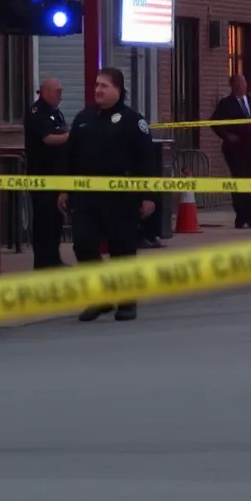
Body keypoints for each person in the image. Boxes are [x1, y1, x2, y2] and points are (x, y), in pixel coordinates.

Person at [57, 68, 158, 322]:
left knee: (122, 248)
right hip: (86, 197)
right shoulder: (83, 119)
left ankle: (126, 302)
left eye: (104, 85)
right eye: (96, 85)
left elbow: (147, 160)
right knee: (83, 244)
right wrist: (64, 189)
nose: (98, 90)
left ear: (118, 90)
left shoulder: (133, 121)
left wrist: (148, 196)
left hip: (121, 197)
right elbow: (69, 157)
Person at [209, 73, 251, 229]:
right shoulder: (226, 103)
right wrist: (227, 136)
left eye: (244, 82)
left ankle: (250, 216)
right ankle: (241, 216)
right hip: (235, 149)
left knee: (250, 181)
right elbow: (214, 123)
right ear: (233, 86)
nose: (242, 85)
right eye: (238, 83)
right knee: (240, 179)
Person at [24, 77, 69, 270]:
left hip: (56, 174)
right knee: (43, 221)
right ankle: (43, 263)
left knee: (56, 219)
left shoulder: (54, 112)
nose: (60, 95)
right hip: (42, 175)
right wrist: (71, 137)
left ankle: (54, 259)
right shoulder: (38, 112)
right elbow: (48, 139)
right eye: (57, 91)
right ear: (46, 91)